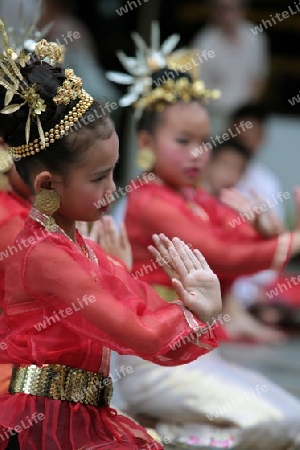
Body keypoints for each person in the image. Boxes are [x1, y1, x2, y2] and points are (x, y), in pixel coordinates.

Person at [0, 20, 221, 450]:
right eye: (100, 177)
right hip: (43, 428)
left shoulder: (77, 246)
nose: (112, 189)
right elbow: (135, 332)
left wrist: (192, 306)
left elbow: (139, 304)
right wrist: (196, 314)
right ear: (47, 186)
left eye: (115, 172)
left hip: (83, 420)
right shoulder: (42, 255)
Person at [105, 24, 300, 448]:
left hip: (194, 353)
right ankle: (158, 435)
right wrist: (292, 240)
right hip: (152, 361)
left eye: (203, 141)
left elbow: (243, 260)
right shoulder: (149, 200)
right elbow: (219, 254)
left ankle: (155, 433)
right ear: (145, 141)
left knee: (293, 418)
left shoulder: (197, 200)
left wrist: (270, 233)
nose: (197, 153)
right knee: (278, 424)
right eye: (182, 141)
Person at [190, 0, 269, 134]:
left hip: (244, 116)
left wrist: (249, 116)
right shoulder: (204, 41)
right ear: (213, 12)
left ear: (243, 10)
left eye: (232, 9)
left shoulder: (254, 37)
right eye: (222, 9)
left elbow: (258, 79)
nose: (227, 15)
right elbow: (196, 87)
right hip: (214, 115)